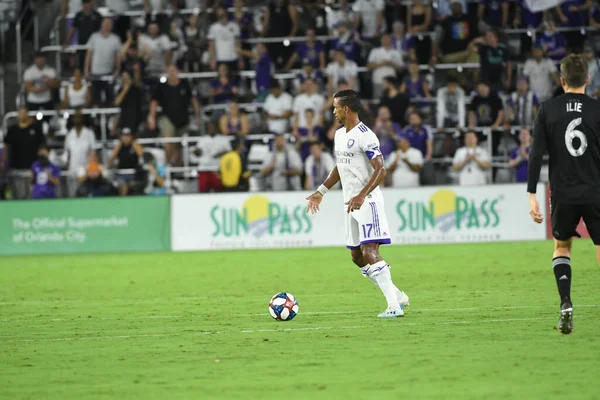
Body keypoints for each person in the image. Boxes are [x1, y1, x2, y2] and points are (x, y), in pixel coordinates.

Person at [305, 90, 410, 318]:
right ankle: (397, 295)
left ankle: (394, 306)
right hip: (349, 202)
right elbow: (340, 167)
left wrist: (363, 194)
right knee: (357, 256)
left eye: (335, 108)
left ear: (346, 109)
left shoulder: (367, 136)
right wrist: (321, 191)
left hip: (367, 200)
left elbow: (381, 169)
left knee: (370, 251)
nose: (333, 112)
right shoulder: (340, 135)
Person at [527, 54, 600, 335]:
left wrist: (532, 194)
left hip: (563, 192)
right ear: (588, 79)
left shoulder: (547, 109)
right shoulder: (596, 110)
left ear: (562, 80)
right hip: (595, 190)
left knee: (562, 247)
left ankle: (566, 302)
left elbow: (535, 156)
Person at [1, 107, 45, 199]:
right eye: (20, 113)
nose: (22, 115)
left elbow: (42, 147)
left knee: (32, 195)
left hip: (32, 168)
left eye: (24, 113)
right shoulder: (12, 130)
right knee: (18, 195)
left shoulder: (35, 128)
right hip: (16, 167)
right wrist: (3, 161)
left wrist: (41, 164)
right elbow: (6, 147)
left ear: (27, 114)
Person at [106, 128, 144, 196]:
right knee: (122, 185)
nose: (126, 138)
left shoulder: (134, 145)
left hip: (134, 173)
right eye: (124, 135)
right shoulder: (119, 147)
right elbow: (111, 159)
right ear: (121, 137)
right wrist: (119, 145)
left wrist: (133, 143)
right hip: (121, 174)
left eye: (128, 135)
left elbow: (142, 155)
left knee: (133, 186)